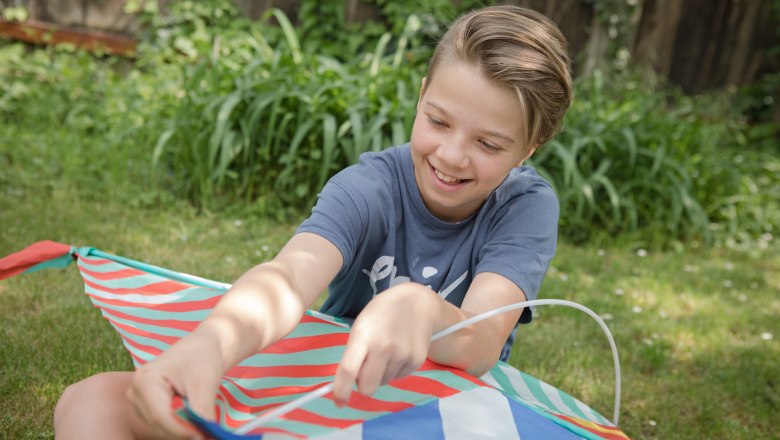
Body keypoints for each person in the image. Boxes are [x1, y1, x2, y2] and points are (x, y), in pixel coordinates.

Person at [53, 5, 573, 439]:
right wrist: (209, 345)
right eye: (438, 121)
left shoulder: (525, 206)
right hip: (332, 392)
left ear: (529, 148)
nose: (453, 155)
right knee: (91, 399)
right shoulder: (370, 186)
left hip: (442, 410)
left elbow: (480, 341)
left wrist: (422, 309)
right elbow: (288, 278)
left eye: (488, 144)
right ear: (420, 98)